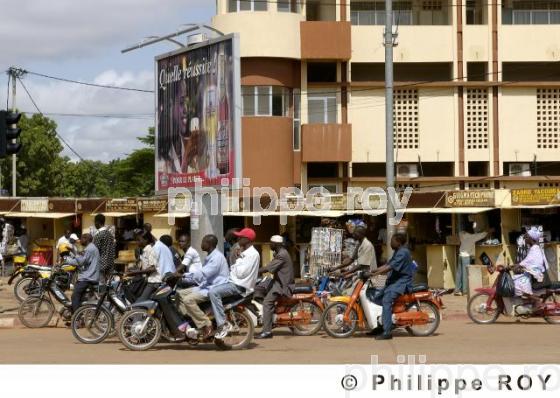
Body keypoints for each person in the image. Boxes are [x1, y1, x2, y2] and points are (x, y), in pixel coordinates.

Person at [209, 228, 260, 339]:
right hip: (234, 282)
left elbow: (240, 273)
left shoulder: (251, 254)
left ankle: (222, 324)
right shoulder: (245, 252)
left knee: (213, 292)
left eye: (240, 237)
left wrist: (236, 262)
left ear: (247, 239)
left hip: (239, 286)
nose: (238, 239)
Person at [176, 235, 229, 339]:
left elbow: (204, 273)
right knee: (179, 294)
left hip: (213, 287)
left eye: (203, 242)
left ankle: (206, 324)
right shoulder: (210, 256)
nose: (201, 245)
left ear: (209, 244)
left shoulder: (217, 257)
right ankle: (192, 320)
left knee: (188, 300)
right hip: (205, 286)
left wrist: (184, 275)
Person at [368, 233, 416, 340]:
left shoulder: (403, 253)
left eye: (392, 241)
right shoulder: (398, 252)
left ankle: (387, 331)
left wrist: (374, 275)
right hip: (394, 281)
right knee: (377, 298)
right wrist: (372, 271)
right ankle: (382, 325)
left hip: (401, 283)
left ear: (398, 242)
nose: (390, 243)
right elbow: (387, 265)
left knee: (386, 300)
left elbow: (389, 267)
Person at [254, 235, 295, 339]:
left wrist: (253, 272)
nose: (270, 244)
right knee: (260, 287)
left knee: (267, 303)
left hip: (282, 284)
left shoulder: (281, 255)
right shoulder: (280, 253)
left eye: (271, 243)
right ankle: (269, 320)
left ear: (276, 244)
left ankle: (267, 331)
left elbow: (269, 268)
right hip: (277, 281)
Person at [135, 235, 177, 302]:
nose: (137, 242)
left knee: (141, 301)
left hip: (156, 280)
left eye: (139, 240)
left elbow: (152, 268)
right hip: (161, 278)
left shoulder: (153, 249)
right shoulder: (164, 249)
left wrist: (133, 273)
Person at [455, 223, 492, 296]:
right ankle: (465, 291)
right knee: (465, 274)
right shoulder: (472, 237)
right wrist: (488, 230)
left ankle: (457, 290)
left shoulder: (461, 234)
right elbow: (482, 235)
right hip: (466, 256)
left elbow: (477, 234)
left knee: (459, 273)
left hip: (460, 255)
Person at [513, 228, 548, 303]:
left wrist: (519, 265)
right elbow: (527, 261)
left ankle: (538, 301)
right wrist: (518, 265)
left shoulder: (535, 249)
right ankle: (526, 305)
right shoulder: (532, 248)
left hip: (536, 274)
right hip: (532, 273)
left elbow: (531, 262)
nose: (525, 239)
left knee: (518, 285)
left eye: (526, 237)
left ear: (531, 238)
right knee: (516, 279)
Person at [68, 233, 100, 313]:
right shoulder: (91, 248)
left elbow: (81, 262)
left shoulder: (89, 249)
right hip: (90, 275)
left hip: (88, 277)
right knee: (79, 296)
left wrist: (68, 260)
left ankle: (77, 319)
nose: (80, 240)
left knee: (75, 296)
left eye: (82, 238)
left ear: (86, 239)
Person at [92, 214, 116, 283]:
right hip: (110, 263)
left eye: (95, 222)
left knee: (101, 286)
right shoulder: (110, 234)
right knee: (109, 285)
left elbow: (95, 251)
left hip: (101, 264)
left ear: (97, 222)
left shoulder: (99, 235)